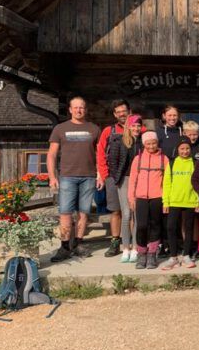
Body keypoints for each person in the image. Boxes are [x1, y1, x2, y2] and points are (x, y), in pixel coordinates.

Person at [47, 96, 101, 263]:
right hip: (67, 176)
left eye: (82, 107)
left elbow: (100, 154)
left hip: (89, 176)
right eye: (76, 107)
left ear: (86, 109)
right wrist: (52, 176)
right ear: (70, 110)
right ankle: (64, 247)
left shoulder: (94, 128)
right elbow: (52, 154)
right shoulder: (60, 128)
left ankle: (78, 244)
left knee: (84, 212)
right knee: (65, 213)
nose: (79, 110)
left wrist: (100, 174)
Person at [127, 131, 168, 270]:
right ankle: (141, 253)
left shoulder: (164, 159)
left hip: (157, 197)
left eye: (153, 143)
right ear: (144, 144)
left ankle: (152, 254)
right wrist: (131, 198)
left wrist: (166, 199)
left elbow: (168, 181)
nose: (151, 146)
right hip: (141, 197)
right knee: (142, 226)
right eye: (148, 144)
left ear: (157, 143)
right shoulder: (137, 159)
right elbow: (132, 180)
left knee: (155, 225)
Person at [105, 114, 143, 263]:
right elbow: (112, 162)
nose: (136, 128)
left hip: (140, 180)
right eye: (134, 125)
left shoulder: (142, 142)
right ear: (128, 126)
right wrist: (117, 179)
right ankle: (125, 247)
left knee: (136, 215)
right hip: (125, 179)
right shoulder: (119, 141)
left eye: (139, 125)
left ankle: (135, 247)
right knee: (126, 214)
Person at [96, 99, 131, 258]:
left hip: (132, 176)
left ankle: (131, 242)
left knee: (131, 211)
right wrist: (104, 176)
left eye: (124, 110)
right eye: (118, 112)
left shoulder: (139, 128)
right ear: (115, 114)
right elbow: (101, 154)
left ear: (129, 111)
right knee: (116, 211)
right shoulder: (108, 131)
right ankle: (115, 241)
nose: (122, 114)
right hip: (113, 177)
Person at [161, 138, 199, 270]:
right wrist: (165, 201)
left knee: (188, 229)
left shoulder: (194, 163)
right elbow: (166, 184)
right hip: (174, 201)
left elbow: (198, 183)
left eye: (187, 148)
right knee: (171, 228)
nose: (185, 151)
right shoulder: (172, 163)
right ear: (177, 149)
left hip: (190, 201)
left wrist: (198, 201)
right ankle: (173, 257)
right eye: (182, 149)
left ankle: (186, 255)